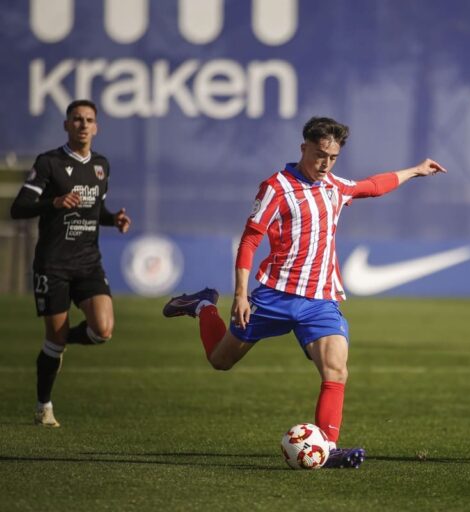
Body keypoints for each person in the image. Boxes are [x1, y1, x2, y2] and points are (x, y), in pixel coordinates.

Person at [162, 116, 446, 469]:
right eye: (319, 154)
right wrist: (239, 294)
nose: (325, 163)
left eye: (332, 157)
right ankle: (204, 305)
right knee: (221, 361)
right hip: (274, 297)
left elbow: (373, 186)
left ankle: (327, 448)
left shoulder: (335, 187)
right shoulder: (275, 187)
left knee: (336, 370)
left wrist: (416, 170)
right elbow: (251, 239)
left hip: (320, 301)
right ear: (303, 148)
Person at [10, 99, 132, 428]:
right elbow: (18, 208)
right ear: (66, 125)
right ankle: (43, 405)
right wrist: (54, 201)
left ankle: (62, 340)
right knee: (54, 338)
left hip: (88, 262)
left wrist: (113, 219)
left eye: (89, 119)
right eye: (76, 119)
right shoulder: (49, 163)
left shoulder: (101, 165)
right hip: (53, 264)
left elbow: (96, 210)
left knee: (103, 329)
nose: (82, 124)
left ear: (96, 127)